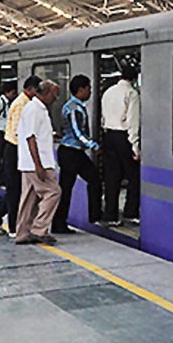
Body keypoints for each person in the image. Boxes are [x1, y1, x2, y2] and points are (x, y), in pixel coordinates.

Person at [0, 76, 41, 236]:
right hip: (14, 149)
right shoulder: (21, 105)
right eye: (38, 90)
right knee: (15, 189)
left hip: (16, 148)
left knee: (16, 189)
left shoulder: (24, 103)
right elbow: (18, 132)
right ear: (30, 89)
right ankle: (14, 228)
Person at [52, 74, 102, 234]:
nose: (90, 91)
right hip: (71, 153)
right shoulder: (73, 108)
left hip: (72, 152)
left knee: (73, 185)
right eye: (88, 88)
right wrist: (93, 145)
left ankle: (61, 222)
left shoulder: (74, 106)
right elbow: (77, 131)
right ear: (81, 89)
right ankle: (61, 222)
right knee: (70, 187)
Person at [15, 79, 61, 246]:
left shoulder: (36, 108)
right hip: (37, 162)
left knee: (28, 199)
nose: (56, 97)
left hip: (29, 162)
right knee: (54, 192)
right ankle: (38, 229)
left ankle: (22, 234)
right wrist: (38, 165)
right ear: (46, 93)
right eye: (55, 93)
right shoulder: (34, 109)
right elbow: (30, 138)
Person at [101, 57, 141, 226]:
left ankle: (111, 214)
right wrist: (135, 146)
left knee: (111, 177)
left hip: (108, 136)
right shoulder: (132, 93)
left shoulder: (108, 92)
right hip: (123, 137)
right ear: (133, 79)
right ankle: (130, 212)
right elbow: (133, 121)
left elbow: (103, 117)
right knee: (133, 176)